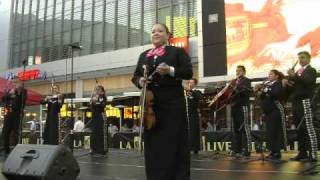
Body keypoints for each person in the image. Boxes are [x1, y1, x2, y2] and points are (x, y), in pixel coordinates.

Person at [132, 23, 193, 180]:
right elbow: (135, 76)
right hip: (150, 107)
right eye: (153, 31)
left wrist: (170, 70)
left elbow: (188, 72)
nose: (156, 33)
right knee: (153, 146)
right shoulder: (144, 55)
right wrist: (140, 81)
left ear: (168, 35)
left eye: (160, 31)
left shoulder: (177, 52)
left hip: (172, 104)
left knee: (174, 143)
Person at [285, 51, 318, 162]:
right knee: (300, 129)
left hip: (306, 102)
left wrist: (294, 76)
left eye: (303, 57)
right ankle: (302, 152)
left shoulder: (311, 70)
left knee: (308, 128)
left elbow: (307, 81)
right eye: (299, 58)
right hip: (296, 102)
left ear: (309, 59)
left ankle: (313, 154)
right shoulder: (299, 71)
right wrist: (288, 82)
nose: (300, 60)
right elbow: (295, 86)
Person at [255, 69, 286, 160]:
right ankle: (272, 151)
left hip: (276, 110)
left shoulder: (278, 83)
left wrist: (264, 89)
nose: (269, 76)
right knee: (270, 132)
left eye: (271, 74)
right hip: (268, 111)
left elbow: (275, 94)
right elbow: (263, 96)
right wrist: (259, 91)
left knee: (276, 131)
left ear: (277, 76)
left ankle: (277, 152)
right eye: (269, 74)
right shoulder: (269, 85)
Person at [230, 65, 252, 158]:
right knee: (236, 129)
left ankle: (247, 149)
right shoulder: (234, 81)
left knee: (245, 128)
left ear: (244, 71)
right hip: (235, 107)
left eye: (239, 70)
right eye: (236, 70)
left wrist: (235, 88)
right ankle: (237, 149)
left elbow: (245, 91)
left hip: (243, 106)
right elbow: (231, 94)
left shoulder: (246, 80)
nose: (237, 72)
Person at [1, 78, 27, 155]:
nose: (15, 84)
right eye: (13, 82)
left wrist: (18, 92)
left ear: (20, 83)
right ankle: (6, 150)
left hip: (17, 114)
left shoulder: (23, 91)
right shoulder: (9, 90)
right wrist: (10, 95)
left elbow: (22, 101)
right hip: (8, 114)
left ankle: (16, 150)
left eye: (16, 82)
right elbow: (3, 99)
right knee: (5, 132)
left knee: (16, 133)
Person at [184, 78, 202, 155]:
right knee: (185, 131)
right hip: (185, 114)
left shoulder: (197, 92)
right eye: (189, 82)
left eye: (192, 83)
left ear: (195, 84)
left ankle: (195, 148)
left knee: (194, 131)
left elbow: (199, 97)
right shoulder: (184, 92)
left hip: (193, 114)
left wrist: (190, 91)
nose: (190, 84)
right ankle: (186, 147)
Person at [90, 85, 107, 156]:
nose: (97, 91)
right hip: (94, 116)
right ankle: (94, 149)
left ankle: (101, 150)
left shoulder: (102, 97)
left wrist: (96, 101)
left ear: (102, 91)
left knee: (100, 132)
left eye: (99, 89)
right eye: (96, 89)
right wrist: (93, 101)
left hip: (100, 116)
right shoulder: (93, 97)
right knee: (94, 133)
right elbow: (90, 105)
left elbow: (102, 105)